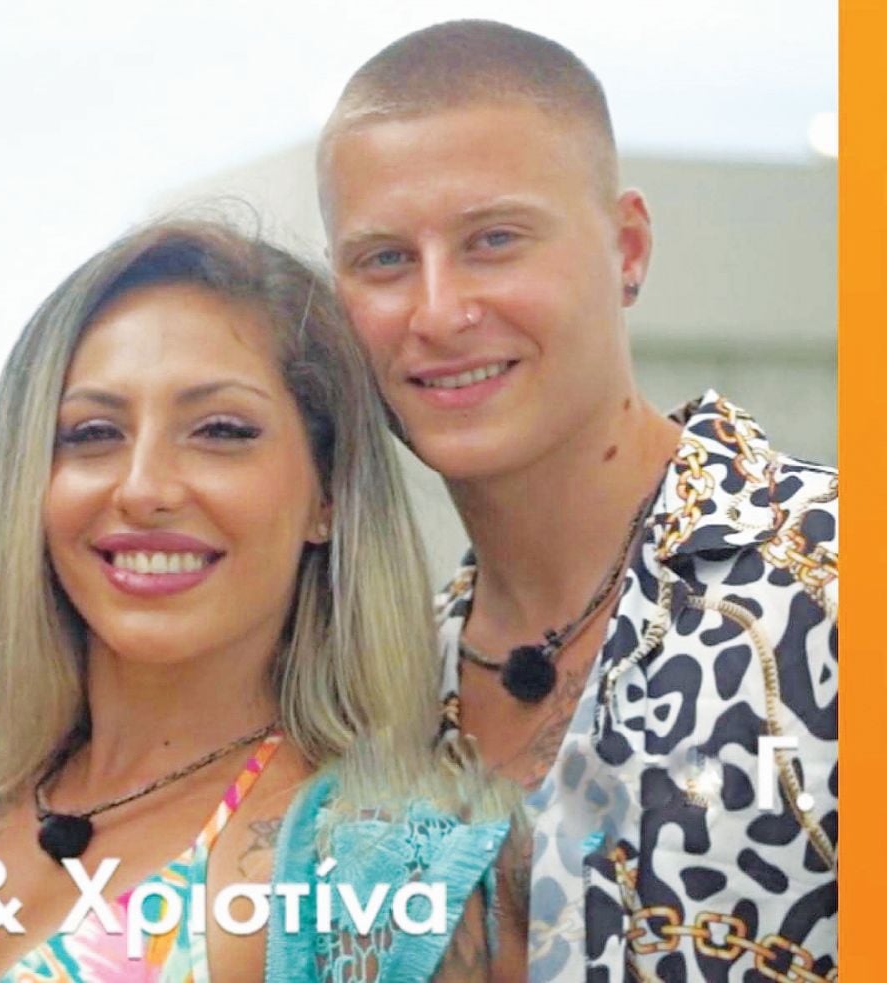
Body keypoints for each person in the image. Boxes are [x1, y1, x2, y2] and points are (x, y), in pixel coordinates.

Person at [0, 219, 524, 982]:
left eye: (220, 430)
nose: (143, 488)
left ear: (327, 492)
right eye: (92, 432)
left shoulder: (378, 875)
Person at [317, 20, 838, 982]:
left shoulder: (833, 580)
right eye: (385, 260)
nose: (438, 312)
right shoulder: (378, 705)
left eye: (494, 240)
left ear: (627, 247)